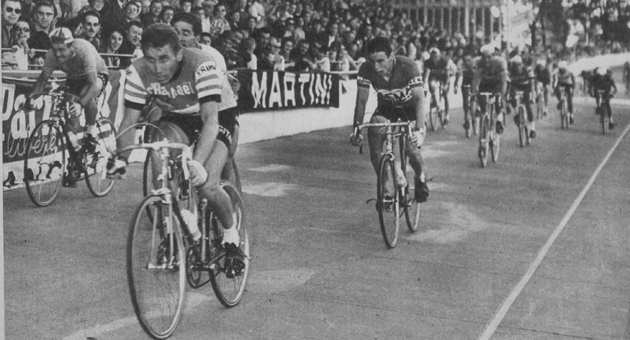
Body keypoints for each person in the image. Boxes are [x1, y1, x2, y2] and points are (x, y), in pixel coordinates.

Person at [106, 24, 246, 275]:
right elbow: (129, 121)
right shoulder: (138, 71)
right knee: (160, 156)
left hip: (217, 114)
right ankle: (175, 231)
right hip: (178, 115)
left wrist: (196, 163)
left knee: (207, 184)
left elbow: (210, 121)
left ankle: (231, 235)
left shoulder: (201, 63)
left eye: (164, 59)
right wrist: (119, 160)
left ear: (179, 54)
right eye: (150, 59)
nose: (157, 69)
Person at [349, 37, 429, 204]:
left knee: (411, 149)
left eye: (381, 61)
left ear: (391, 56)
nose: (376, 67)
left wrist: (420, 130)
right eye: (372, 62)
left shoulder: (407, 66)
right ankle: (388, 186)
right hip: (386, 110)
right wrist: (356, 130)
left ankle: (420, 177)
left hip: (410, 111)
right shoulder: (366, 69)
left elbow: (420, 100)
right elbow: (361, 101)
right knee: (374, 132)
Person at [28, 27, 109, 187]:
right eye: (54, 49)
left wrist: (80, 104)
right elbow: (42, 80)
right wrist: (32, 96)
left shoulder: (83, 49)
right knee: (68, 115)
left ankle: (91, 132)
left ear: (71, 46)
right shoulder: (52, 54)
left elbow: (92, 85)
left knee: (87, 96)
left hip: (96, 75)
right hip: (74, 78)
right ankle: (77, 158)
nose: (57, 54)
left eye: (61, 50)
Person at [170, 13, 241, 184]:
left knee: (222, 163)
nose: (179, 38)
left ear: (197, 38)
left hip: (220, 110)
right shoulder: (168, 53)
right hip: (191, 111)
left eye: (185, 33)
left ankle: (232, 205)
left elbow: (214, 102)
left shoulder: (213, 56)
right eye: (175, 32)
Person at [471, 44, 508, 135]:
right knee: (481, 100)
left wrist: (502, 93)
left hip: (497, 83)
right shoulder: (477, 61)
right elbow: (476, 78)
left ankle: (499, 120)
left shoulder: (500, 62)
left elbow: (504, 79)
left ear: (493, 55)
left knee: (498, 101)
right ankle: (485, 117)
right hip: (485, 83)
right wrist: (475, 89)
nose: (486, 60)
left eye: (489, 57)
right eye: (484, 57)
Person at [507, 54, 537, 138]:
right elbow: (508, 83)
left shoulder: (527, 69)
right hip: (516, 86)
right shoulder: (510, 70)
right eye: (514, 65)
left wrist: (532, 93)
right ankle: (516, 114)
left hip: (526, 86)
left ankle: (532, 129)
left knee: (528, 105)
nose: (516, 67)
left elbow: (532, 83)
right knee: (512, 98)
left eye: (518, 65)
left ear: (521, 64)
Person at [423, 47, 452, 125]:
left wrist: (445, 85)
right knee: (431, 85)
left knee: (445, 94)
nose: (434, 59)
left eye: (436, 57)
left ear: (439, 56)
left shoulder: (444, 61)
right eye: (432, 57)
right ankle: (436, 103)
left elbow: (447, 75)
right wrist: (424, 83)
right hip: (434, 77)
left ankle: (446, 115)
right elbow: (425, 74)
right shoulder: (427, 62)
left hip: (443, 77)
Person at [454, 50, 475, 133]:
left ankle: (475, 110)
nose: (467, 62)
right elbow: (458, 76)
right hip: (465, 82)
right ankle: (466, 119)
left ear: (472, 59)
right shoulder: (460, 64)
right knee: (465, 103)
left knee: (473, 101)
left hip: (474, 80)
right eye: (465, 60)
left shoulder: (475, 64)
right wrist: (455, 85)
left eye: (469, 60)